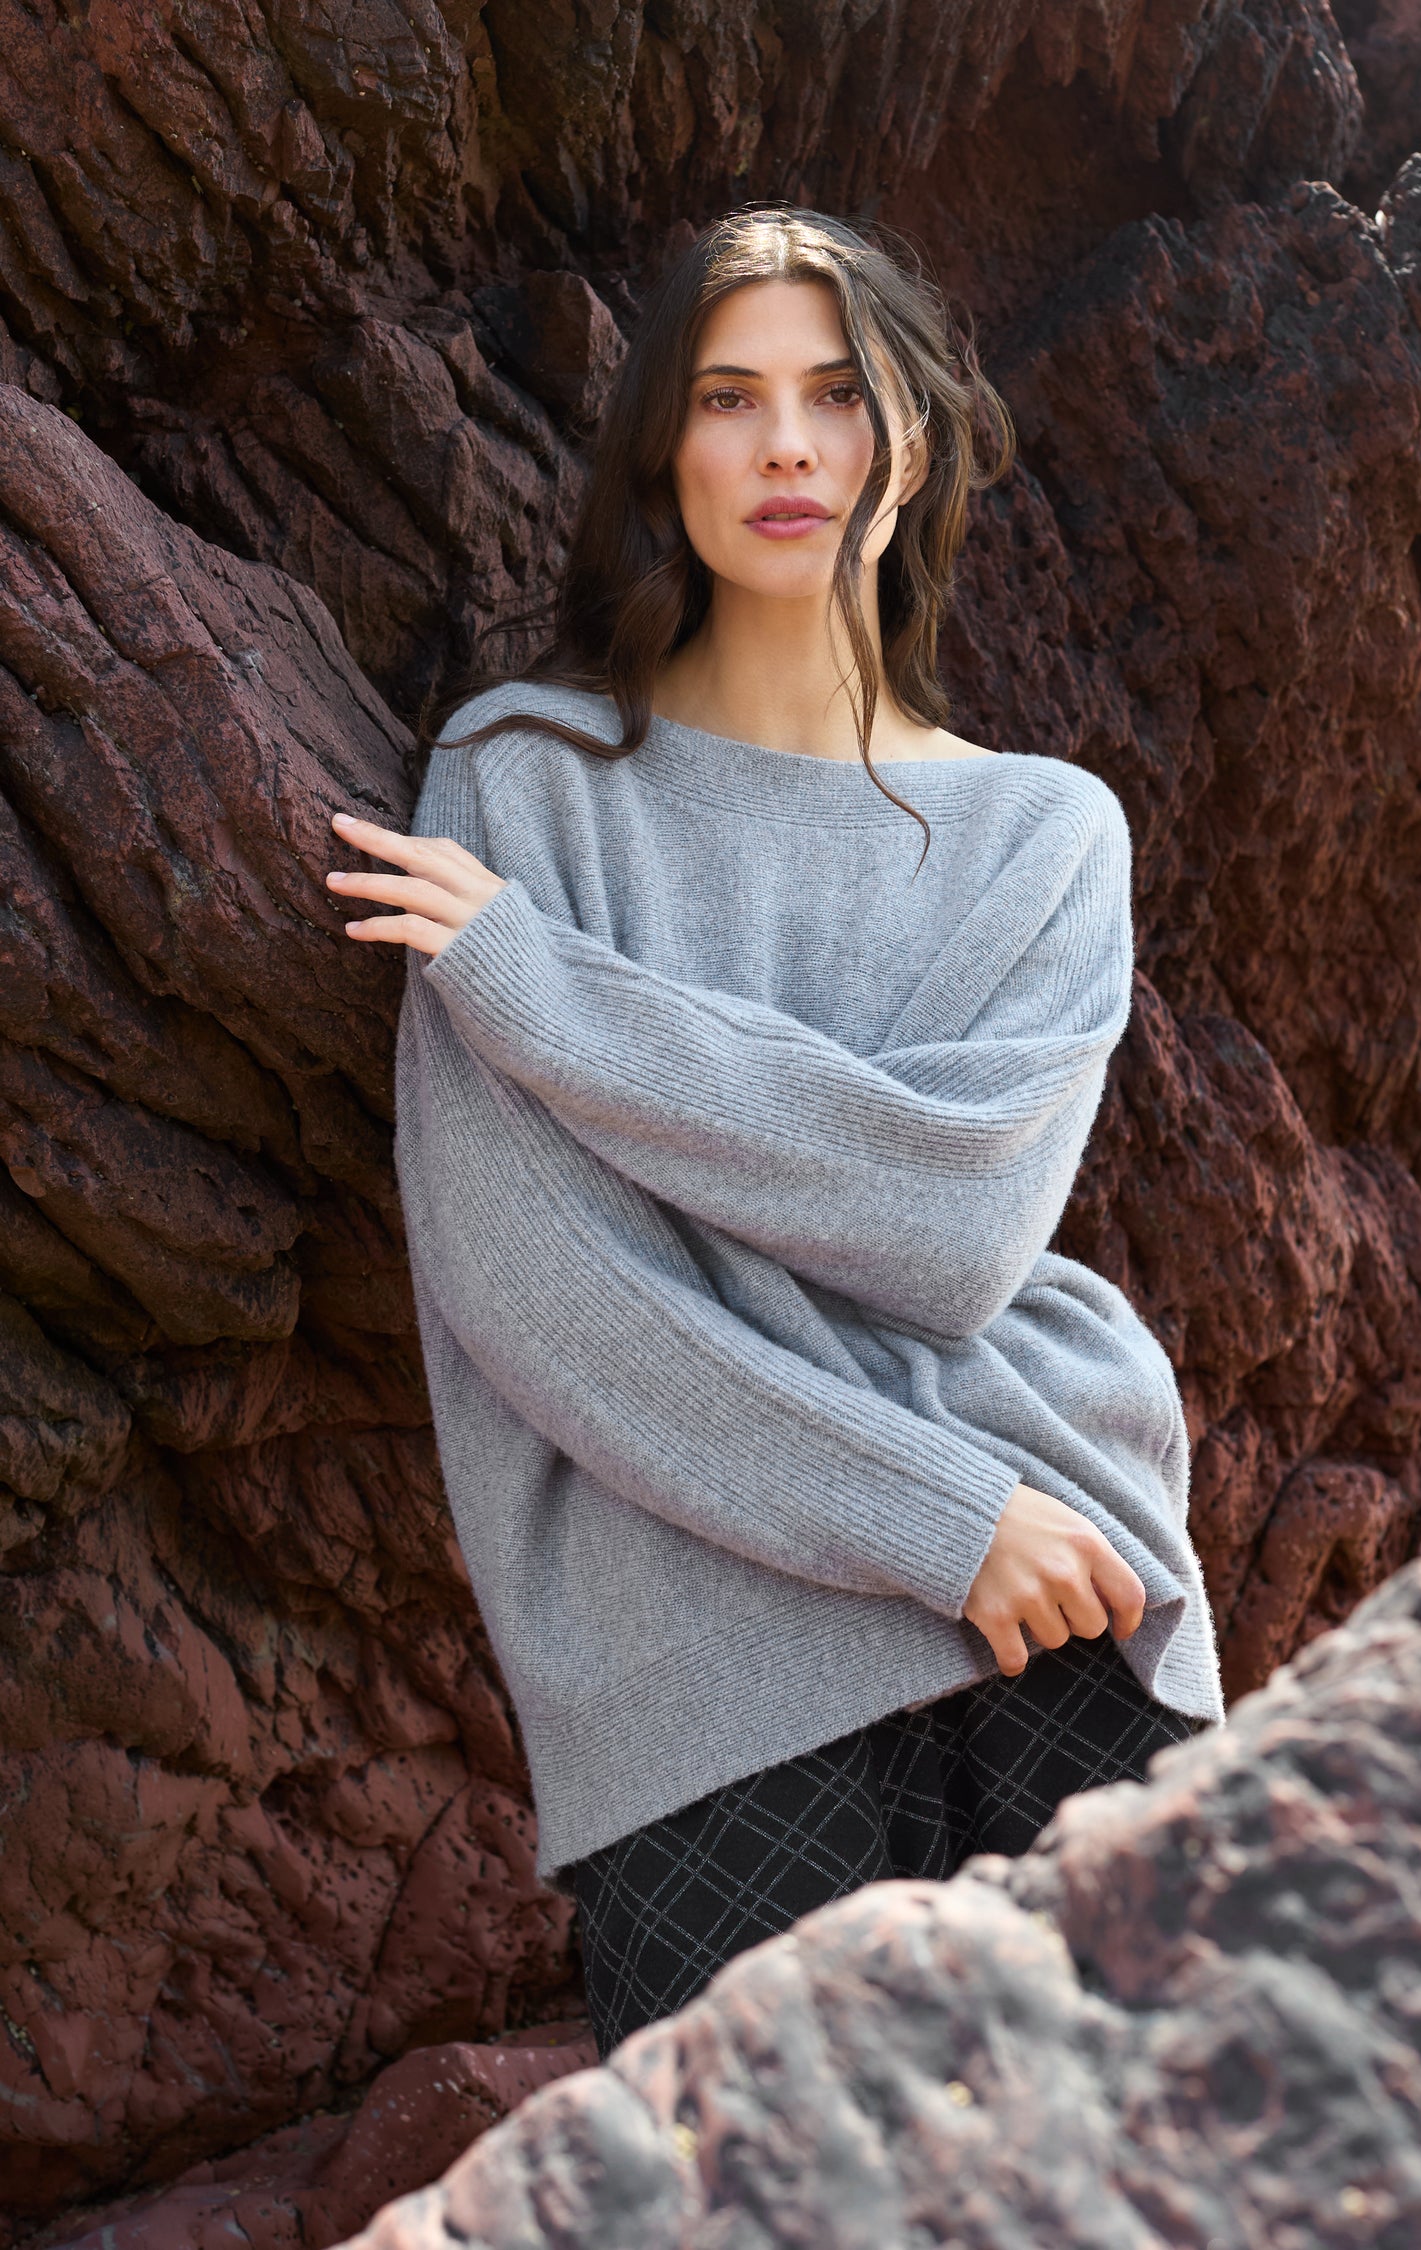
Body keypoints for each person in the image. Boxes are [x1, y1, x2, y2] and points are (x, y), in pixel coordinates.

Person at [325, 206, 1224, 2057]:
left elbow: (953, 1225)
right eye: (731, 398)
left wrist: (552, 996)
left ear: (907, 441)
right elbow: (537, 1289)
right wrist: (927, 1512)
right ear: (666, 446)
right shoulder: (525, 787)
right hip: (704, 1646)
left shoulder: (1048, 834)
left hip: (1058, 1588)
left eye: (837, 393)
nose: (790, 447)